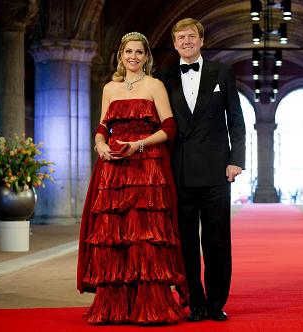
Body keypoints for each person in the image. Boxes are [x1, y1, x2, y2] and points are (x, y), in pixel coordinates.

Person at [76, 32, 187, 325]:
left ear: (146, 56)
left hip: (147, 166)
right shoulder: (110, 88)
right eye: (129, 52)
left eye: (139, 52)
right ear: (121, 56)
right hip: (114, 168)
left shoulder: (155, 85)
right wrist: (100, 145)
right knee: (114, 234)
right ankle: (115, 307)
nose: (134, 57)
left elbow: (170, 128)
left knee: (146, 236)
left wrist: (140, 144)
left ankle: (150, 306)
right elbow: (102, 126)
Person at [155, 18, 246, 322]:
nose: (186, 41)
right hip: (178, 171)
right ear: (175, 42)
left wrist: (237, 160)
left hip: (217, 171)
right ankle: (194, 301)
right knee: (186, 243)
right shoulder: (163, 77)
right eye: (180, 37)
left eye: (191, 36)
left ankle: (216, 302)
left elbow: (236, 120)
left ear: (202, 40)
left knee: (217, 241)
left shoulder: (221, 72)